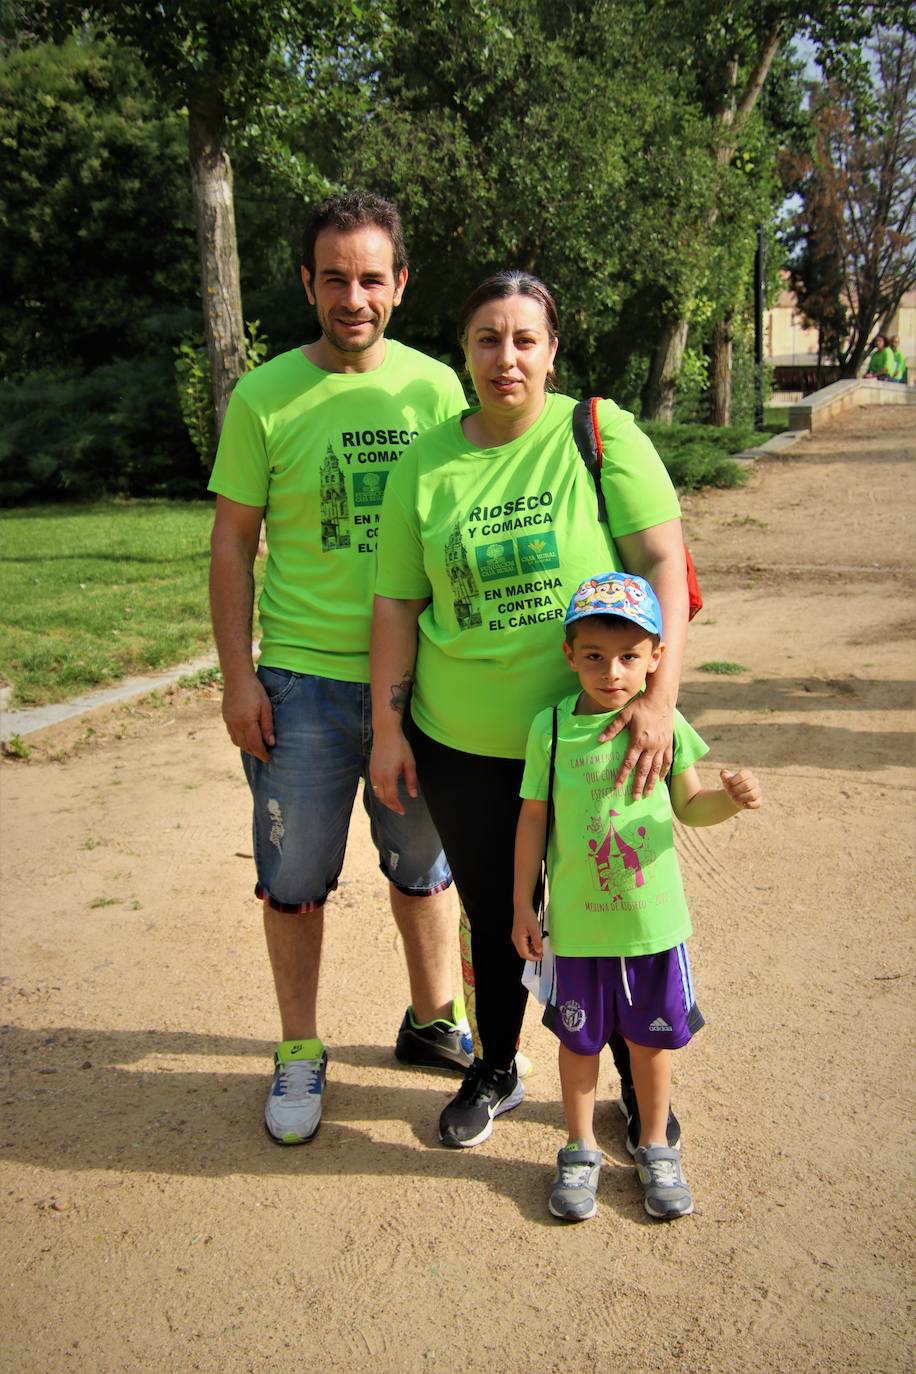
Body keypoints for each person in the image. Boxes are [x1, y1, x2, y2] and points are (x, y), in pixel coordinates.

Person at [370, 270, 690, 1150]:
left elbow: (665, 561)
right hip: (462, 741)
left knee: (612, 910)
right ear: (463, 350)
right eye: (486, 338)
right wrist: (389, 728)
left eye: (523, 340)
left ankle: (635, 1086)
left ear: (551, 351)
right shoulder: (424, 464)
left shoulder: (597, 433)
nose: (504, 357)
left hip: (592, 739)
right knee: (496, 910)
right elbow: (397, 604)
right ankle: (498, 1066)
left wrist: (658, 704)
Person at [208, 192, 471, 1146]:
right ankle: (297, 1052)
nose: (351, 295)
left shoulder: (440, 389)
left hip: (422, 684)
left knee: (425, 866)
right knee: (295, 878)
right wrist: (238, 677)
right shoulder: (265, 394)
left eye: (371, 277)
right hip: (302, 687)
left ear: (400, 285)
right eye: (334, 277)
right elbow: (233, 543)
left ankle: (434, 1019)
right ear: (309, 284)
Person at [513, 572, 762, 1221]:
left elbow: (691, 806)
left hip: (652, 929)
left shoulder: (666, 722)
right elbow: (533, 820)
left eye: (629, 656)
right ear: (569, 655)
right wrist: (522, 904)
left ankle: (655, 1146)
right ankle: (578, 1149)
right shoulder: (550, 727)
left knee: (650, 1048)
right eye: (593, 655)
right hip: (575, 929)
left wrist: (728, 803)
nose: (611, 670)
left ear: (656, 656)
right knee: (577, 1046)